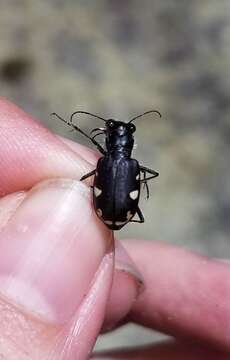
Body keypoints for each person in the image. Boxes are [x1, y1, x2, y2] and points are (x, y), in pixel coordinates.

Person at [0, 97, 228, 359]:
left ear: (110, 140)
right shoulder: (132, 166)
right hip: (121, 211)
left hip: (107, 208)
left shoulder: (106, 163)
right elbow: (142, 175)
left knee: (81, 178)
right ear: (127, 143)